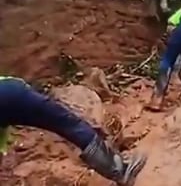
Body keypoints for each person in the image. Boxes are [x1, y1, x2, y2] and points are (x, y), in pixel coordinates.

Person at [0, 77, 146, 185]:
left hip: (11, 95)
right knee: (69, 124)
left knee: (67, 124)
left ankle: (119, 170)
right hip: (13, 93)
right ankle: (119, 170)